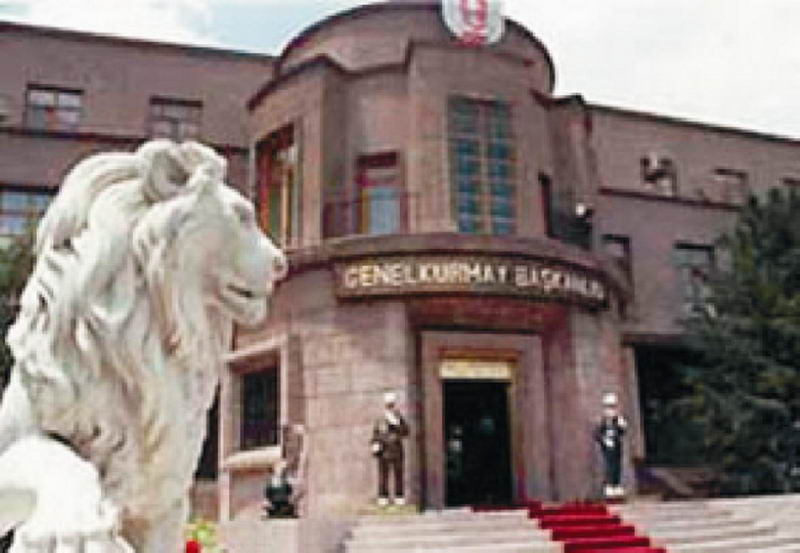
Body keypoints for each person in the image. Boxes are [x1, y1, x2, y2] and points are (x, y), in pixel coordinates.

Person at [371, 392, 409, 506]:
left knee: (398, 474)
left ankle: (399, 496)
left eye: (392, 404)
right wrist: (375, 445)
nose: (390, 406)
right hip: (384, 450)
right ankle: (383, 497)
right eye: (388, 404)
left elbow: (406, 432)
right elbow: (376, 434)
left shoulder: (398, 418)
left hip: (397, 450)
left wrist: (397, 423)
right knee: (383, 475)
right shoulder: (380, 419)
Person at [595, 392, 627, 499]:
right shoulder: (602, 421)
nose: (611, 410)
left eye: (613, 407)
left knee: (617, 465)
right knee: (609, 466)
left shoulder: (618, 420)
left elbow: (622, 431)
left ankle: (616, 485)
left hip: (617, 445)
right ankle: (609, 485)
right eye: (609, 407)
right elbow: (597, 434)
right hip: (607, 447)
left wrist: (622, 426)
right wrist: (604, 440)